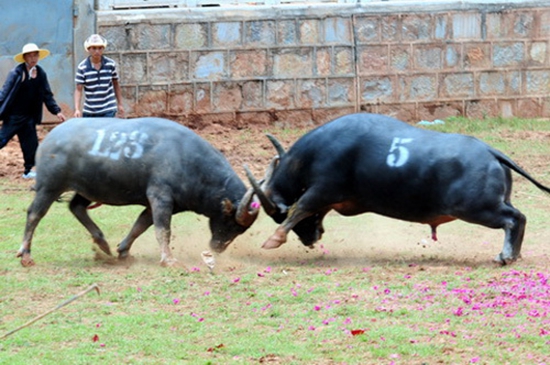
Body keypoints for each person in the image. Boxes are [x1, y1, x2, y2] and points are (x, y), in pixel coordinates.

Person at [0, 43, 67, 179]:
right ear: (24, 57)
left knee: (31, 145)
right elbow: (4, 93)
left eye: (35, 55)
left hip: (29, 116)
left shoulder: (41, 73)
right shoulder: (17, 73)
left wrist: (57, 111)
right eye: (30, 56)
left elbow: (47, 94)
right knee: (2, 139)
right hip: (14, 116)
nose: (33, 58)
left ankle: (28, 171)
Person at [74, 34, 124, 118]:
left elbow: (116, 84)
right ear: (88, 49)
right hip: (90, 110)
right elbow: (79, 89)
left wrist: (120, 104)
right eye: (94, 48)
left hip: (108, 108)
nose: (97, 51)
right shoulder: (82, 67)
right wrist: (77, 109)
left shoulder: (110, 64)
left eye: (100, 48)